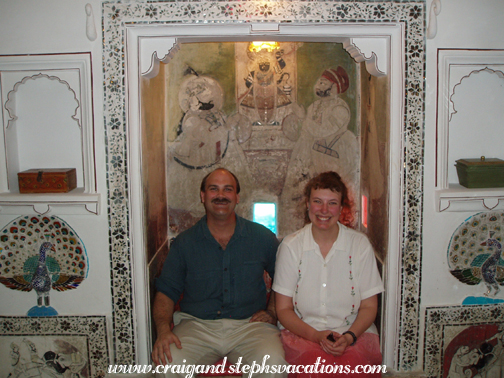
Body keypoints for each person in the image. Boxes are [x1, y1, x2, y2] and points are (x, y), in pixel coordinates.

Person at [152, 168, 288, 378]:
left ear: (237, 197)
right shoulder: (184, 243)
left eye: (228, 189)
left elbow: (284, 278)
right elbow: (166, 292)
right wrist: (163, 331)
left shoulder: (261, 237)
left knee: (274, 367)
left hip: (250, 327)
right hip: (196, 326)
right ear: (203, 196)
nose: (221, 195)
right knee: (167, 366)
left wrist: (272, 312)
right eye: (213, 189)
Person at [273, 171, 384, 378]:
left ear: (342, 208)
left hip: (354, 334)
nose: (324, 210)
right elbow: (284, 309)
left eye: (332, 203)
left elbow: (370, 306)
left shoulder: (359, 245)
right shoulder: (291, 246)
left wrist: (349, 337)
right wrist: (316, 336)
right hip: (304, 334)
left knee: (351, 367)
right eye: (317, 202)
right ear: (307, 204)